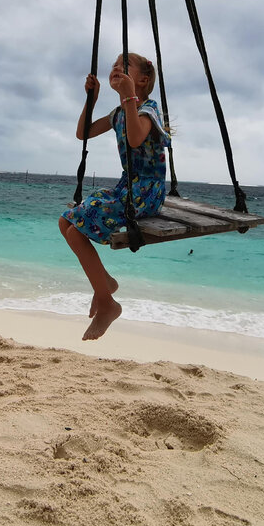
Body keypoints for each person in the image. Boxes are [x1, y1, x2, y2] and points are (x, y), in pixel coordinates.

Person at [59, 52, 171, 340]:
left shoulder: (149, 110)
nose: (116, 69)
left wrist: (130, 97)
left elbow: (135, 138)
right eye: (114, 66)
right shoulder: (119, 112)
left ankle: (108, 303)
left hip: (147, 191)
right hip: (127, 187)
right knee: (65, 223)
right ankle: (104, 285)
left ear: (142, 80)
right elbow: (82, 133)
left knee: (75, 233)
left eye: (124, 66)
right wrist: (91, 99)